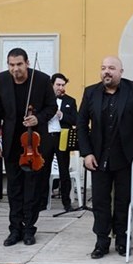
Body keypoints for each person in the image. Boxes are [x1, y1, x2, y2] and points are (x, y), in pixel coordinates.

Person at [77, 56, 133, 259]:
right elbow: (82, 125)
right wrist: (86, 153)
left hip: (126, 156)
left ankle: (122, 239)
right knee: (100, 201)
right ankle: (102, 241)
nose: (106, 72)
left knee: (123, 200)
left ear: (121, 71)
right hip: (98, 157)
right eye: (103, 68)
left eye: (111, 68)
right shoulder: (90, 92)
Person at [0, 48, 57, 246]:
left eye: (19, 64)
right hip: (11, 142)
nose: (15, 69)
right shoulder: (0, 80)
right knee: (14, 188)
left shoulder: (42, 80)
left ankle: (29, 229)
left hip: (34, 143)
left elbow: (52, 107)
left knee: (33, 187)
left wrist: (38, 117)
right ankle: (15, 229)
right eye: (11, 65)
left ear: (26, 63)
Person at [43, 72, 78, 212]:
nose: (61, 88)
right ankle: (42, 201)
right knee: (44, 170)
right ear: (52, 85)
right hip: (47, 137)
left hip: (62, 136)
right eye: (58, 85)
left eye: (63, 85)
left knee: (64, 170)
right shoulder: (44, 100)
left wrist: (61, 115)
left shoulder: (70, 101)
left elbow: (75, 119)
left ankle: (66, 202)